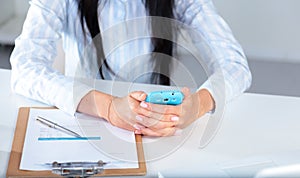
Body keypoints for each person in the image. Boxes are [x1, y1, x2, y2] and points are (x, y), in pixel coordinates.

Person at [10, 0, 252, 137]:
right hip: (85, 121)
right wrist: (108, 107)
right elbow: (24, 66)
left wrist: (199, 104)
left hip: (155, 125)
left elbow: (235, 66)